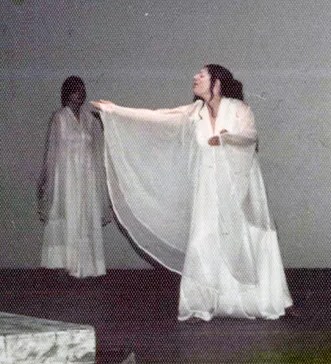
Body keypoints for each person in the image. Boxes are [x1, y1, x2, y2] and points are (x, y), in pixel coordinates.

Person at [92, 64, 292, 321]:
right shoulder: (194, 113)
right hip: (207, 191)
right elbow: (156, 117)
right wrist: (114, 110)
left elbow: (249, 137)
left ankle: (255, 301)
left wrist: (225, 139)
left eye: (202, 75)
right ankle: (200, 303)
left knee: (243, 238)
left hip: (238, 190)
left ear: (216, 83)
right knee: (204, 239)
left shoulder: (239, 110)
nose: (195, 78)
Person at [38, 76, 112, 278]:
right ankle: (68, 263)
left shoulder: (90, 119)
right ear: (67, 93)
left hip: (86, 176)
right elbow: (52, 152)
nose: (80, 93)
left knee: (86, 215)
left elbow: (96, 149)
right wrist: (47, 178)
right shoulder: (59, 118)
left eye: (82, 89)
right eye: (76, 89)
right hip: (67, 178)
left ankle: (88, 266)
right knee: (69, 214)